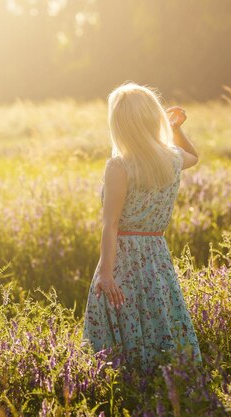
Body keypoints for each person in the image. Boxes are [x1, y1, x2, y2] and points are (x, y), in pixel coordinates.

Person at [82, 81, 202, 373]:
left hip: (122, 258)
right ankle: (166, 380)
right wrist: (176, 130)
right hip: (156, 256)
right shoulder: (171, 158)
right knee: (158, 316)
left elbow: (110, 225)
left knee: (119, 325)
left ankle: (126, 386)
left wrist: (107, 275)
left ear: (121, 125)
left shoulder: (119, 167)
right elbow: (194, 157)